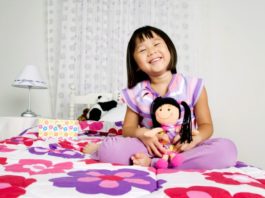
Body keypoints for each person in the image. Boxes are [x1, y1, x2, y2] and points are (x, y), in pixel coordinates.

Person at [83, 26, 237, 169]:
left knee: (227, 150)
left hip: (185, 149)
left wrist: (195, 139)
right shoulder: (136, 93)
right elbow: (128, 129)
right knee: (110, 149)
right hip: (149, 148)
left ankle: (157, 164)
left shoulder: (193, 86)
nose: (151, 51)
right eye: (142, 49)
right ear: (136, 64)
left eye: (156, 44)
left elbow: (206, 125)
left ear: (169, 49)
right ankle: (156, 160)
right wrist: (143, 134)